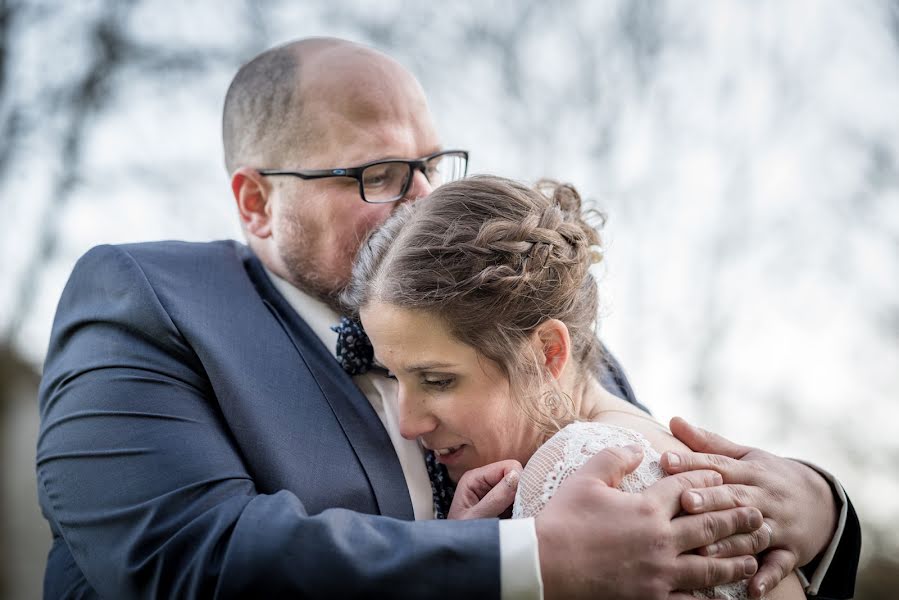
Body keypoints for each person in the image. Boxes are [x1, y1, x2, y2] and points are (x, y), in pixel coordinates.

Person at [35, 38, 859, 599]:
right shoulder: (147, 296)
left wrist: (819, 509)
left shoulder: (517, 327)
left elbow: (662, 495)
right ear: (257, 201)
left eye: (433, 165)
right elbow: (180, 555)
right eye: (380, 172)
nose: (423, 200)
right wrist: (536, 561)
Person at [344, 176, 822, 598]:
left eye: (437, 379)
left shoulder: (577, 475)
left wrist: (464, 572)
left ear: (547, 351)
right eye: (393, 374)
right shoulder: (650, 443)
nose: (407, 423)